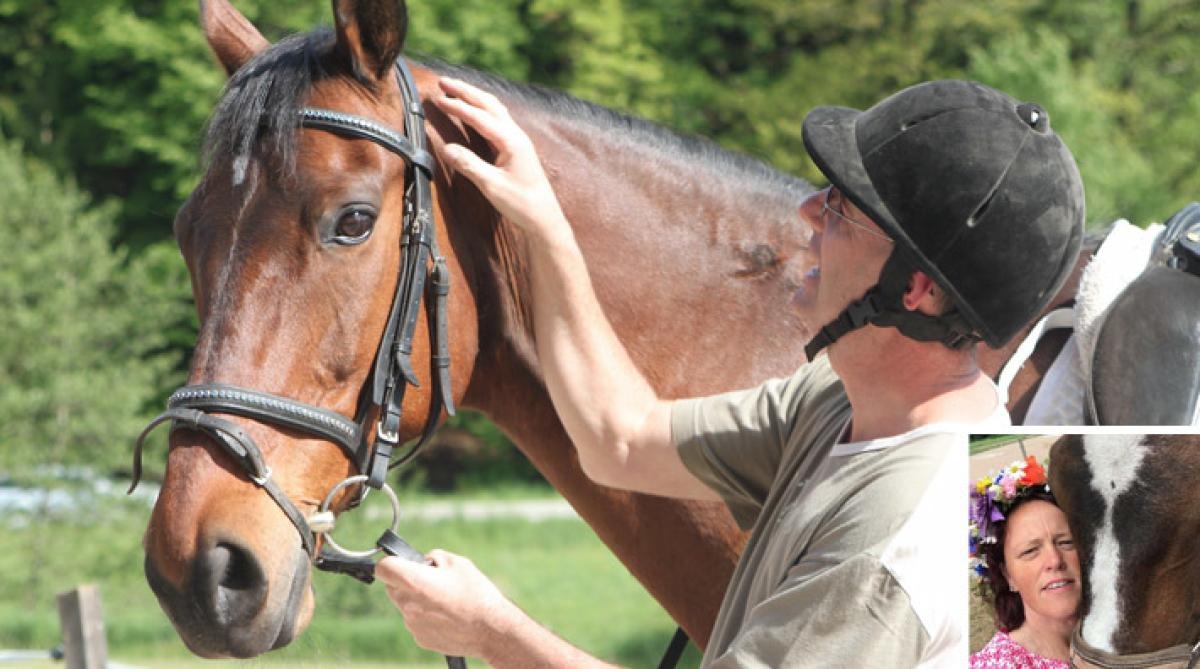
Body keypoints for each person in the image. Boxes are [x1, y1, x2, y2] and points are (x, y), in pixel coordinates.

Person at [375, 77, 1086, 667]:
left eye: (843, 208)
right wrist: (545, 228)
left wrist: (492, 630)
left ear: (916, 290)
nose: (809, 209)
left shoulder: (897, 538)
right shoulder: (843, 401)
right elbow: (620, 437)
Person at [969, 455, 1080, 668]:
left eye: (1066, 542)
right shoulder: (997, 664)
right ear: (1007, 575)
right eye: (1030, 551)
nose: (1055, 560)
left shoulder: (1131, 641)